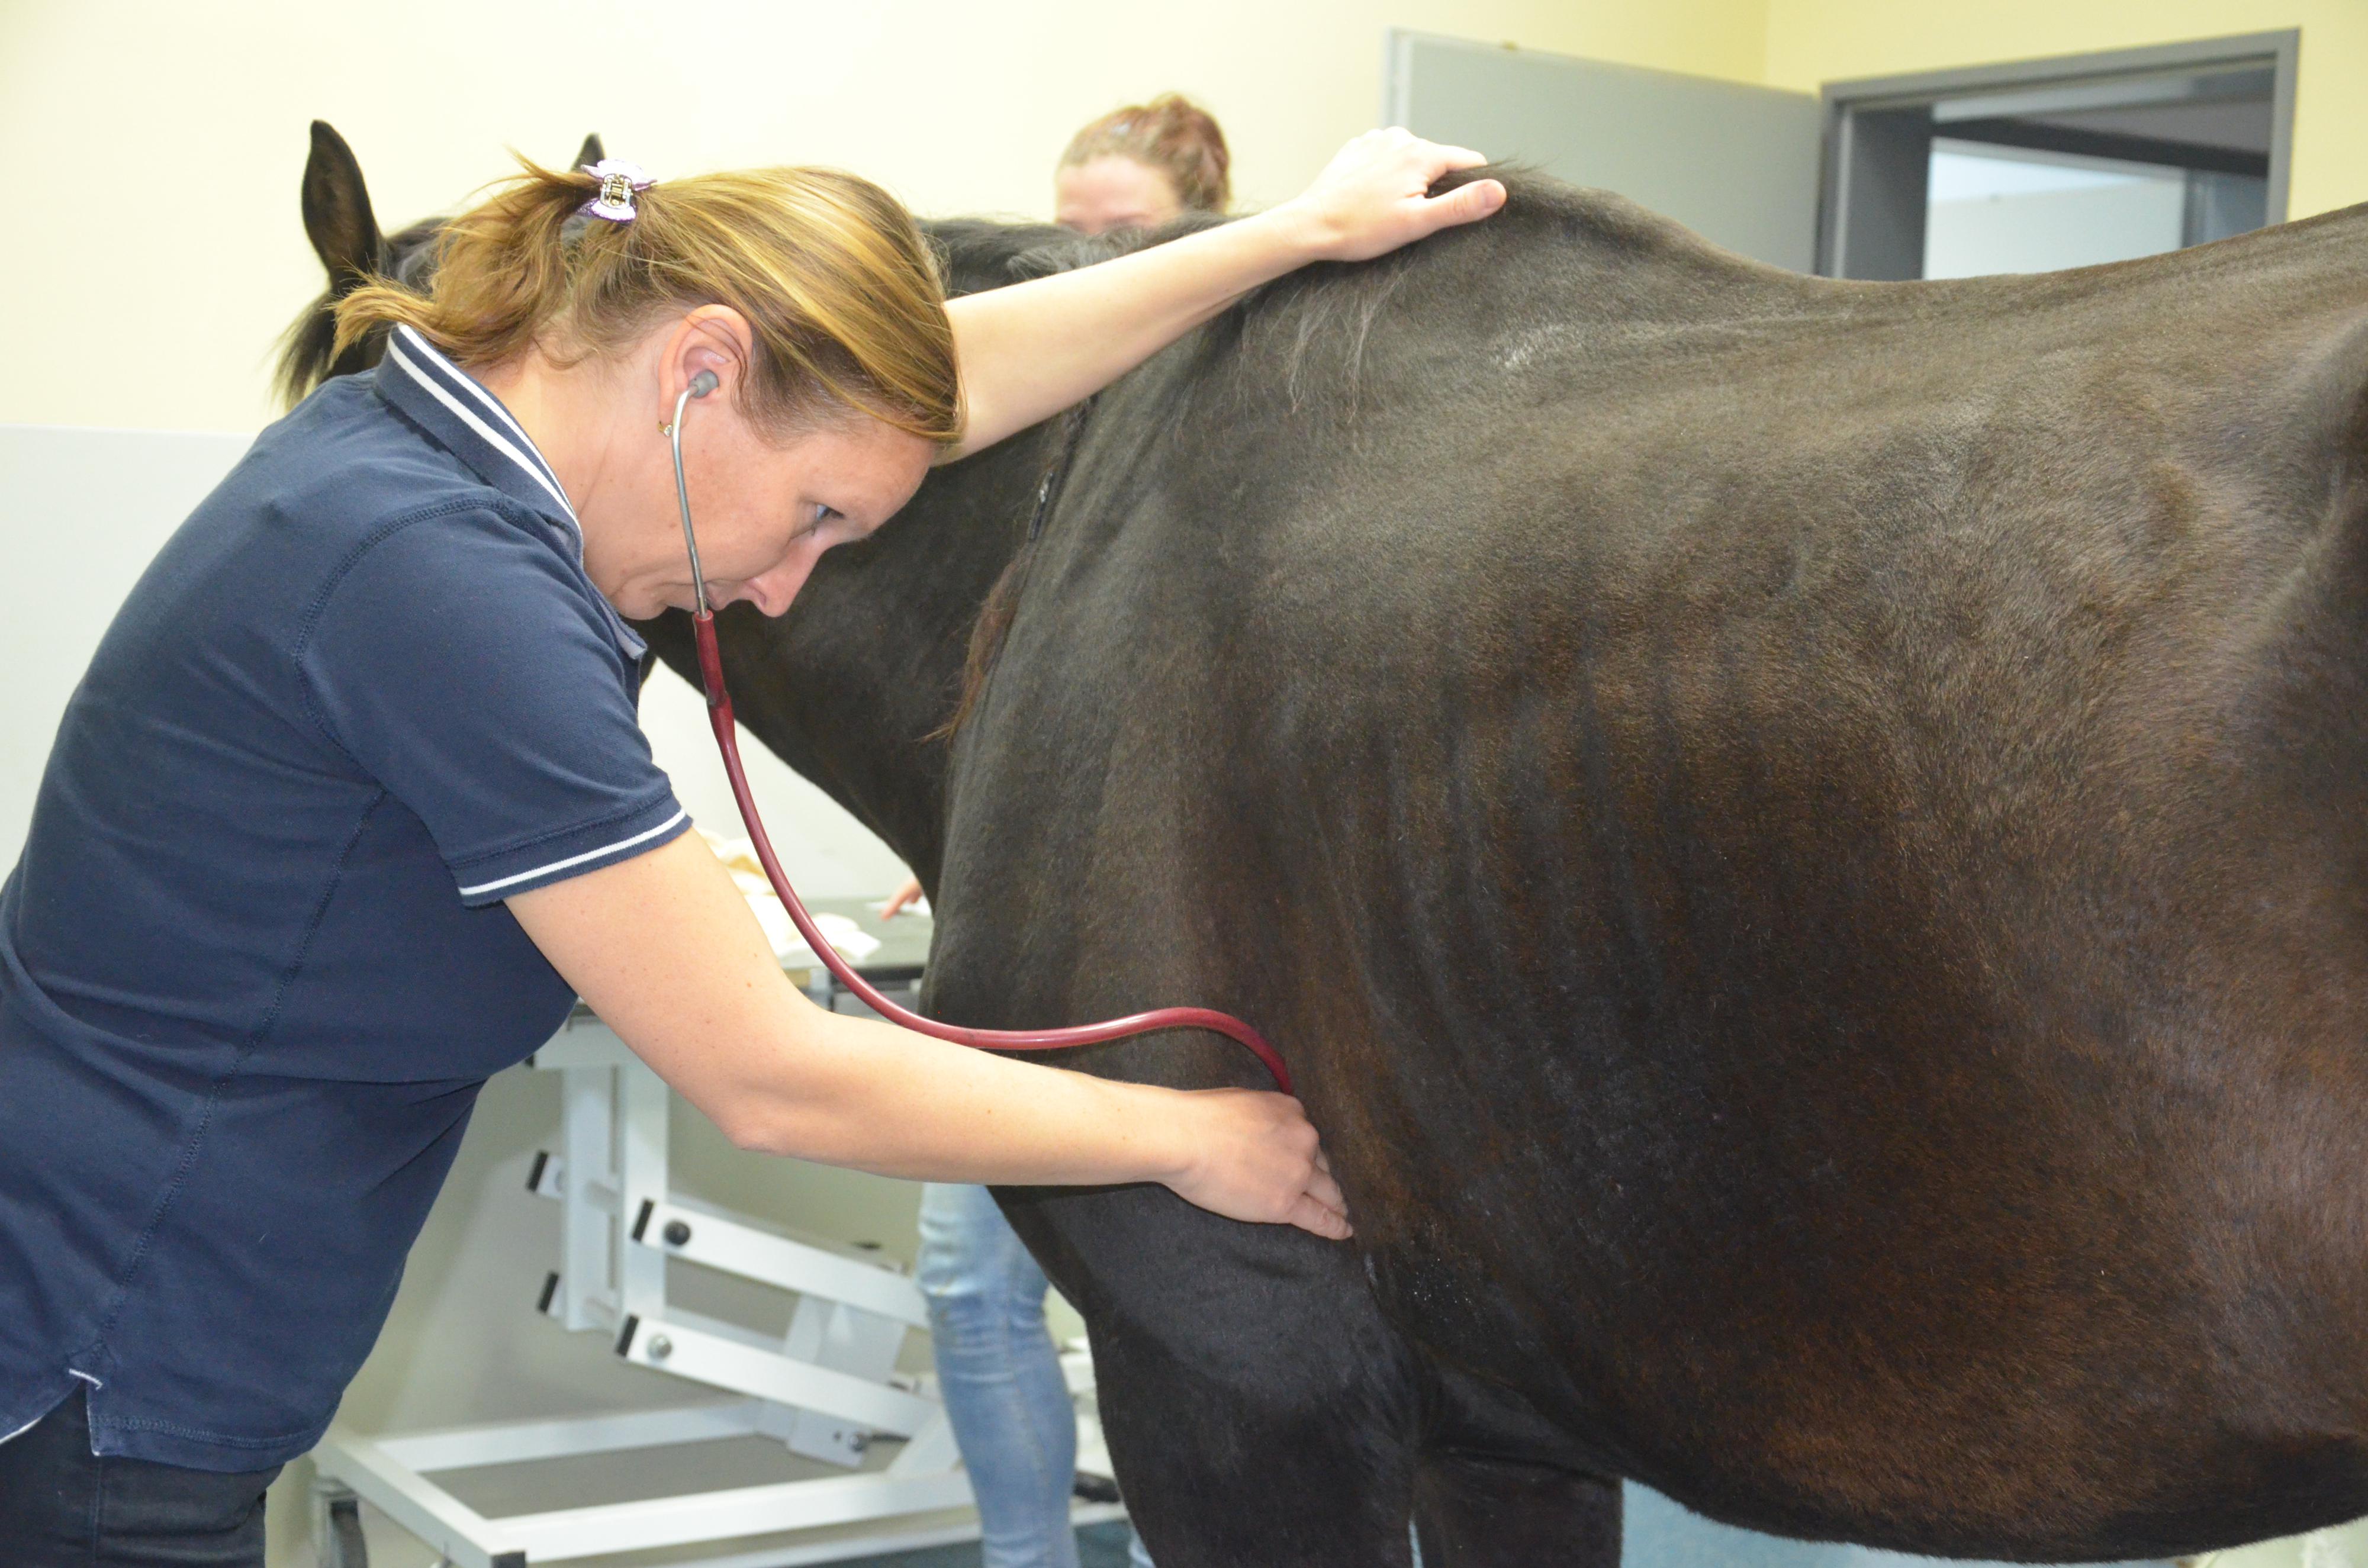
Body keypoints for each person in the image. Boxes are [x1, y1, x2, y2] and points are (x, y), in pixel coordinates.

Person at [0, 130, 1499, 1565]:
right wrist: (1197, 1139)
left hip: (139, 1318)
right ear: (699, 372)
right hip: (105, 1349)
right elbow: (767, 1074)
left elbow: (924, 395)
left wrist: (1291, 235)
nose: (782, 591)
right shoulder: (439, 576)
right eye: (810, 518)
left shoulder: (432, 436)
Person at [894, 95, 1242, 1568]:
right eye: (1063, 234)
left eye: (1116, 239)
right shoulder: (1019, 442)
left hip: (1196, 950)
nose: (1077, 267)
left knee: (1206, 1298)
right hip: (1027, 934)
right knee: (970, 1280)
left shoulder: (1244, 433)